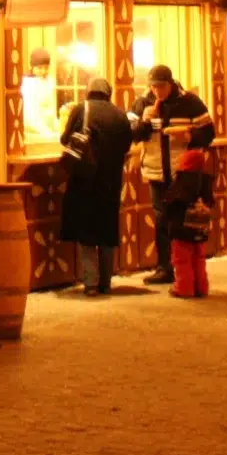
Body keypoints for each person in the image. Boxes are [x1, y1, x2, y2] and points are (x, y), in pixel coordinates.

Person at [130, 65, 208, 286]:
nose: (157, 91)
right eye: (153, 87)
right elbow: (133, 134)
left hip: (182, 173)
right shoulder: (143, 103)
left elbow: (208, 132)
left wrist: (189, 136)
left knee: (183, 220)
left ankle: (189, 268)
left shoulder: (189, 102)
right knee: (162, 219)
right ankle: (165, 267)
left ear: (170, 83)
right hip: (156, 171)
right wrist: (145, 121)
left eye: (161, 86)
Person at [58, 78, 133, 295]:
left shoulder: (82, 109)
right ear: (108, 93)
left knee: (87, 232)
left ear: (88, 91)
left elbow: (66, 139)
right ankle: (106, 282)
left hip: (85, 180)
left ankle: (90, 283)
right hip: (111, 182)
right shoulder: (120, 114)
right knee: (107, 231)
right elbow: (127, 144)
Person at [163, 114, 218, 298]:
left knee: (181, 259)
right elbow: (210, 201)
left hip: (181, 229)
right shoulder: (205, 180)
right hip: (199, 229)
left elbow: (171, 202)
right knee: (198, 258)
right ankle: (201, 287)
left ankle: (184, 287)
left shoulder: (182, 182)